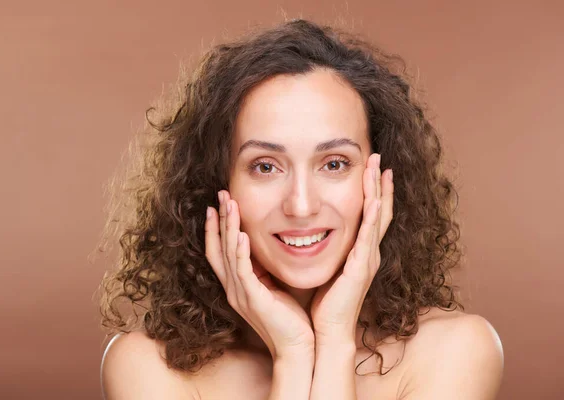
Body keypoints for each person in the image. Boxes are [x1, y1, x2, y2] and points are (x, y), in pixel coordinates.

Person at [96, 18, 504, 399]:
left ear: (381, 181)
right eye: (266, 167)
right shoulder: (148, 367)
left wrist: (334, 341)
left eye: (334, 164)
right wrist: (293, 353)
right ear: (217, 184)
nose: (302, 205)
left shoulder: (456, 350)